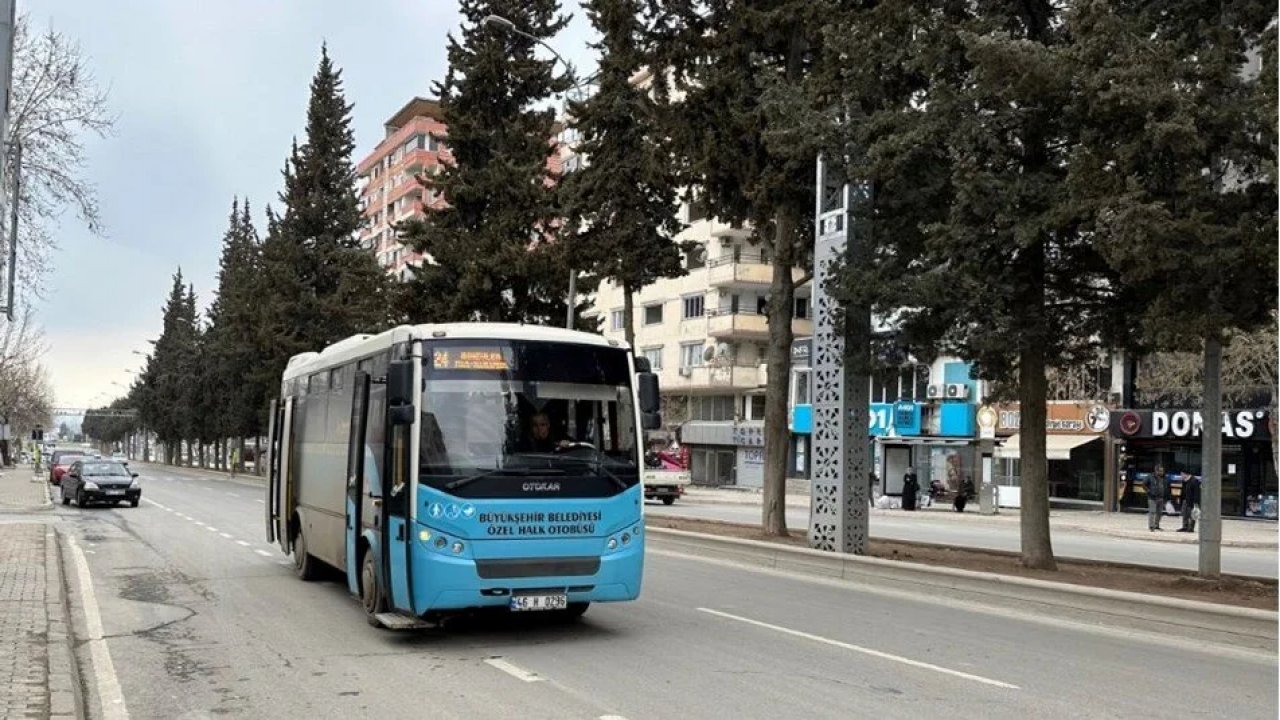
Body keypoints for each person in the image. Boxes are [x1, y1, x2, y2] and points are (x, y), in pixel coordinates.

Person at [1147, 464, 1167, 531]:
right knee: (1152, 512)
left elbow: (1166, 487)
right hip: (1152, 498)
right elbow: (1143, 484)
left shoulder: (1164, 478)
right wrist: (1149, 491)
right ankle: (1151, 526)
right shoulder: (1150, 477)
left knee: (1159, 513)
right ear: (1156, 471)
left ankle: (1156, 525)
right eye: (1161, 471)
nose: (1162, 472)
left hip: (1161, 497)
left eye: (1162, 471)